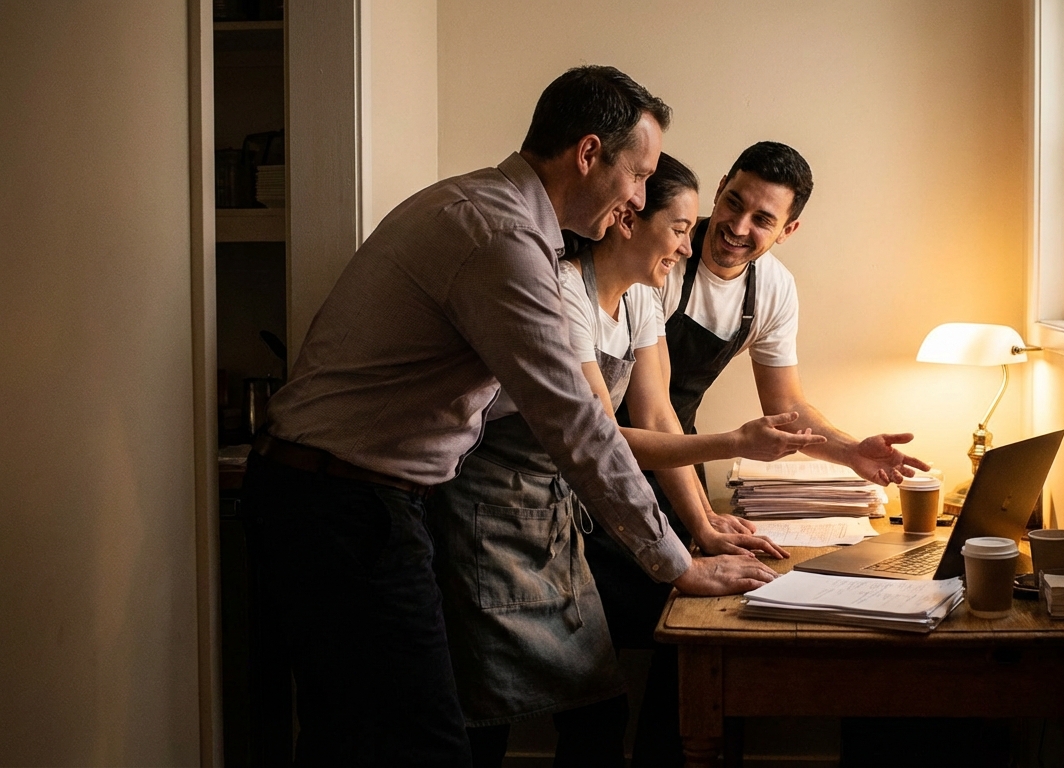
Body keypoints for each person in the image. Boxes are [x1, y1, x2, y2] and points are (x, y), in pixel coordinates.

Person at [239, 66, 776, 767]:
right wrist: (677, 565)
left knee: (352, 735)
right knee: (422, 743)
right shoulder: (501, 241)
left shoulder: (484, 209)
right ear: (588, 155)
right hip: (343, 506)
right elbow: (578, 427)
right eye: (639, 176)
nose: (640, 199)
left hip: (336, 496)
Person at [426, 153, 820, 767]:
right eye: (681, 228)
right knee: (489, 709)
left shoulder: (640, 298)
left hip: (559, 510)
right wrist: (733, 449)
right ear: (629, 221)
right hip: (495, 510)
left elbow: (658, 417)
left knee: (595, 711)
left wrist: (703, 528)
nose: (692, 248)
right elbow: (598, 437)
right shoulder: (562, 292)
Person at [585, 141, 931, 766]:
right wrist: (698, 521)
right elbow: (639, 413)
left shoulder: (772, 289)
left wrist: (851, 452)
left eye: (763, 219)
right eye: (733, 203)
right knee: (679, 615)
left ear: (789, 229)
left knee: (706, 609)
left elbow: (786, 406)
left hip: (673, 458)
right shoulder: (657, 263)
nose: (736, 229)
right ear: (720, 189)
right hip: (618, 460)